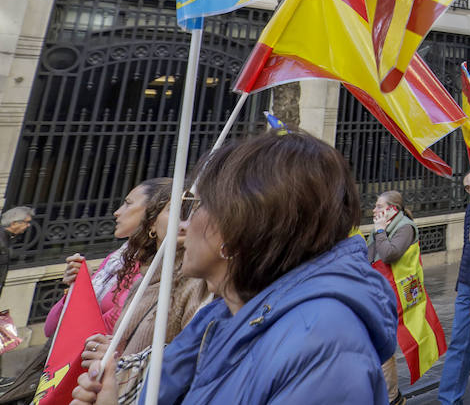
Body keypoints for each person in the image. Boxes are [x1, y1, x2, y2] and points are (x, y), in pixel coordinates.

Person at [75, 132, 395, 405]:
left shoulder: (323, 348)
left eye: (197, 207)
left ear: (238, 229)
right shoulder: (218, 318)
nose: (183, 226)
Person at [77, 182, 211, 404]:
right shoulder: (143, 282)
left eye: (195, 211)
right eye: (176, 209)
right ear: (152, 224)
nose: (185, 221)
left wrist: (120, 363)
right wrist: (107, 351)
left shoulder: (199, 284)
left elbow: (188, 365)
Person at [49, 179, 170, 340]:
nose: (117, 212)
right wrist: (78, 286)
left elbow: (99, 332)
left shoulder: (151, 271)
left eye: (128, 204)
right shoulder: (116, 259)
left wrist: (84, 294)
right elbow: (51, 327)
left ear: (153, 214)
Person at [438, 172, 470, 405]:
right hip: (468, 283)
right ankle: (449, 398)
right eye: (466, 188)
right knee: (460, 342)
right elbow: (468, 249)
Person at [369, 190, 419, 405]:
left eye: (379, 206)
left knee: (384, 342)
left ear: (393, 209)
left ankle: (392, 397)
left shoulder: (405, 227)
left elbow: (390, 254)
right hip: (376, 291)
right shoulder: (383, 227)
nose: (374, 210)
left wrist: (380, 231)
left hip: (393, 294)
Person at [0, 207, 33, 294]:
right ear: (14, 223)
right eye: (27, 222)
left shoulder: (7, 238)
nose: (28, 225)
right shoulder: (2, 239)